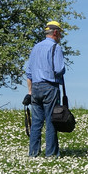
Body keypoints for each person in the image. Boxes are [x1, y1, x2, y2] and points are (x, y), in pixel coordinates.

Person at [25, 21, 66, 158]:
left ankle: (33, 154)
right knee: (51, 121)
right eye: (60, 33)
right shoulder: (56, 48)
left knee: (36, 122)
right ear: (55, 32)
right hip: (49, 87)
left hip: (35, 88)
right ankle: (51, 154)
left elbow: (29, 73)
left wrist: (30, 92)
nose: (60, 36)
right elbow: (59, 69)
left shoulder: (35, 48)